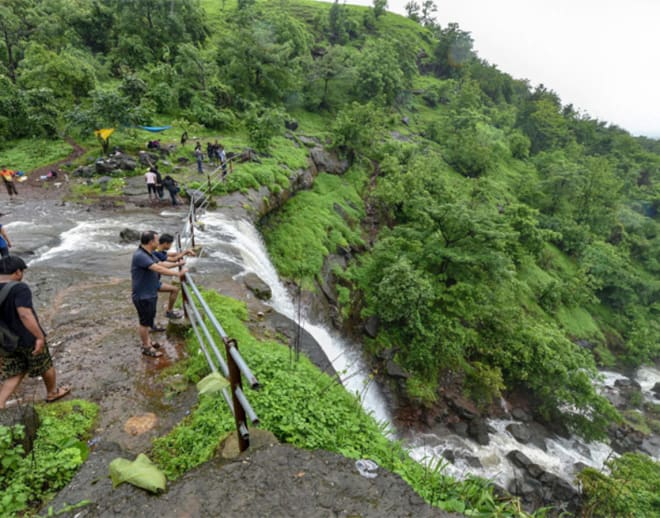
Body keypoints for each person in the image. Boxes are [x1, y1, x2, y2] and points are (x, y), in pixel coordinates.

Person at [0, 256, 71, 408]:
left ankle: (0, 402)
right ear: (17, 272)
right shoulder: (19, 288)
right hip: (27, 339)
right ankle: (52, 393)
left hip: (6, 341)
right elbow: (25, 314)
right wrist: (39, 337)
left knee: (15, 371)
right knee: (45, 365)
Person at [131, 231, 187, 357]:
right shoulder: (140, 255)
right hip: (143, 294)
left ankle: (148, 341)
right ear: (151, 242)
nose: (158, 242)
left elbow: (162, 264)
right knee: (144, 323)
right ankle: (146, 347)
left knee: (149, 319)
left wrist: (178, 264)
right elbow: (157, 268)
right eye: (157, 240)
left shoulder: (148, 253)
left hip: (149, 291)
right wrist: (177, 274)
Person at [153, 233, 196, 322]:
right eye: (170, 244)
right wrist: (179, 264)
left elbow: (171, 255)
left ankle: (167, 312)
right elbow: (172, 260)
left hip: (153, 280)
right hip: (151, 282)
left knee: (174, 290)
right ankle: (169, 312)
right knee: (175, 290)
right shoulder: (156, 253)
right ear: (166, 243)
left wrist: (185, 251)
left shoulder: (158, 250)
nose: (171, 245)